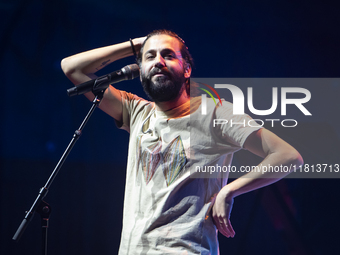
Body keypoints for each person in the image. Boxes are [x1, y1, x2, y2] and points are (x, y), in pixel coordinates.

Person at [61, 29, 303, 255]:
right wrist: (135, 44)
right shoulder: (136, 111)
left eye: (168, 55)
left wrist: (229, 191)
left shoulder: (216, 113)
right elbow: (72, 68)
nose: (158, 61)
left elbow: (288, 156)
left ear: (186, 69)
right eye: (150, 56)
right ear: (140, 68)